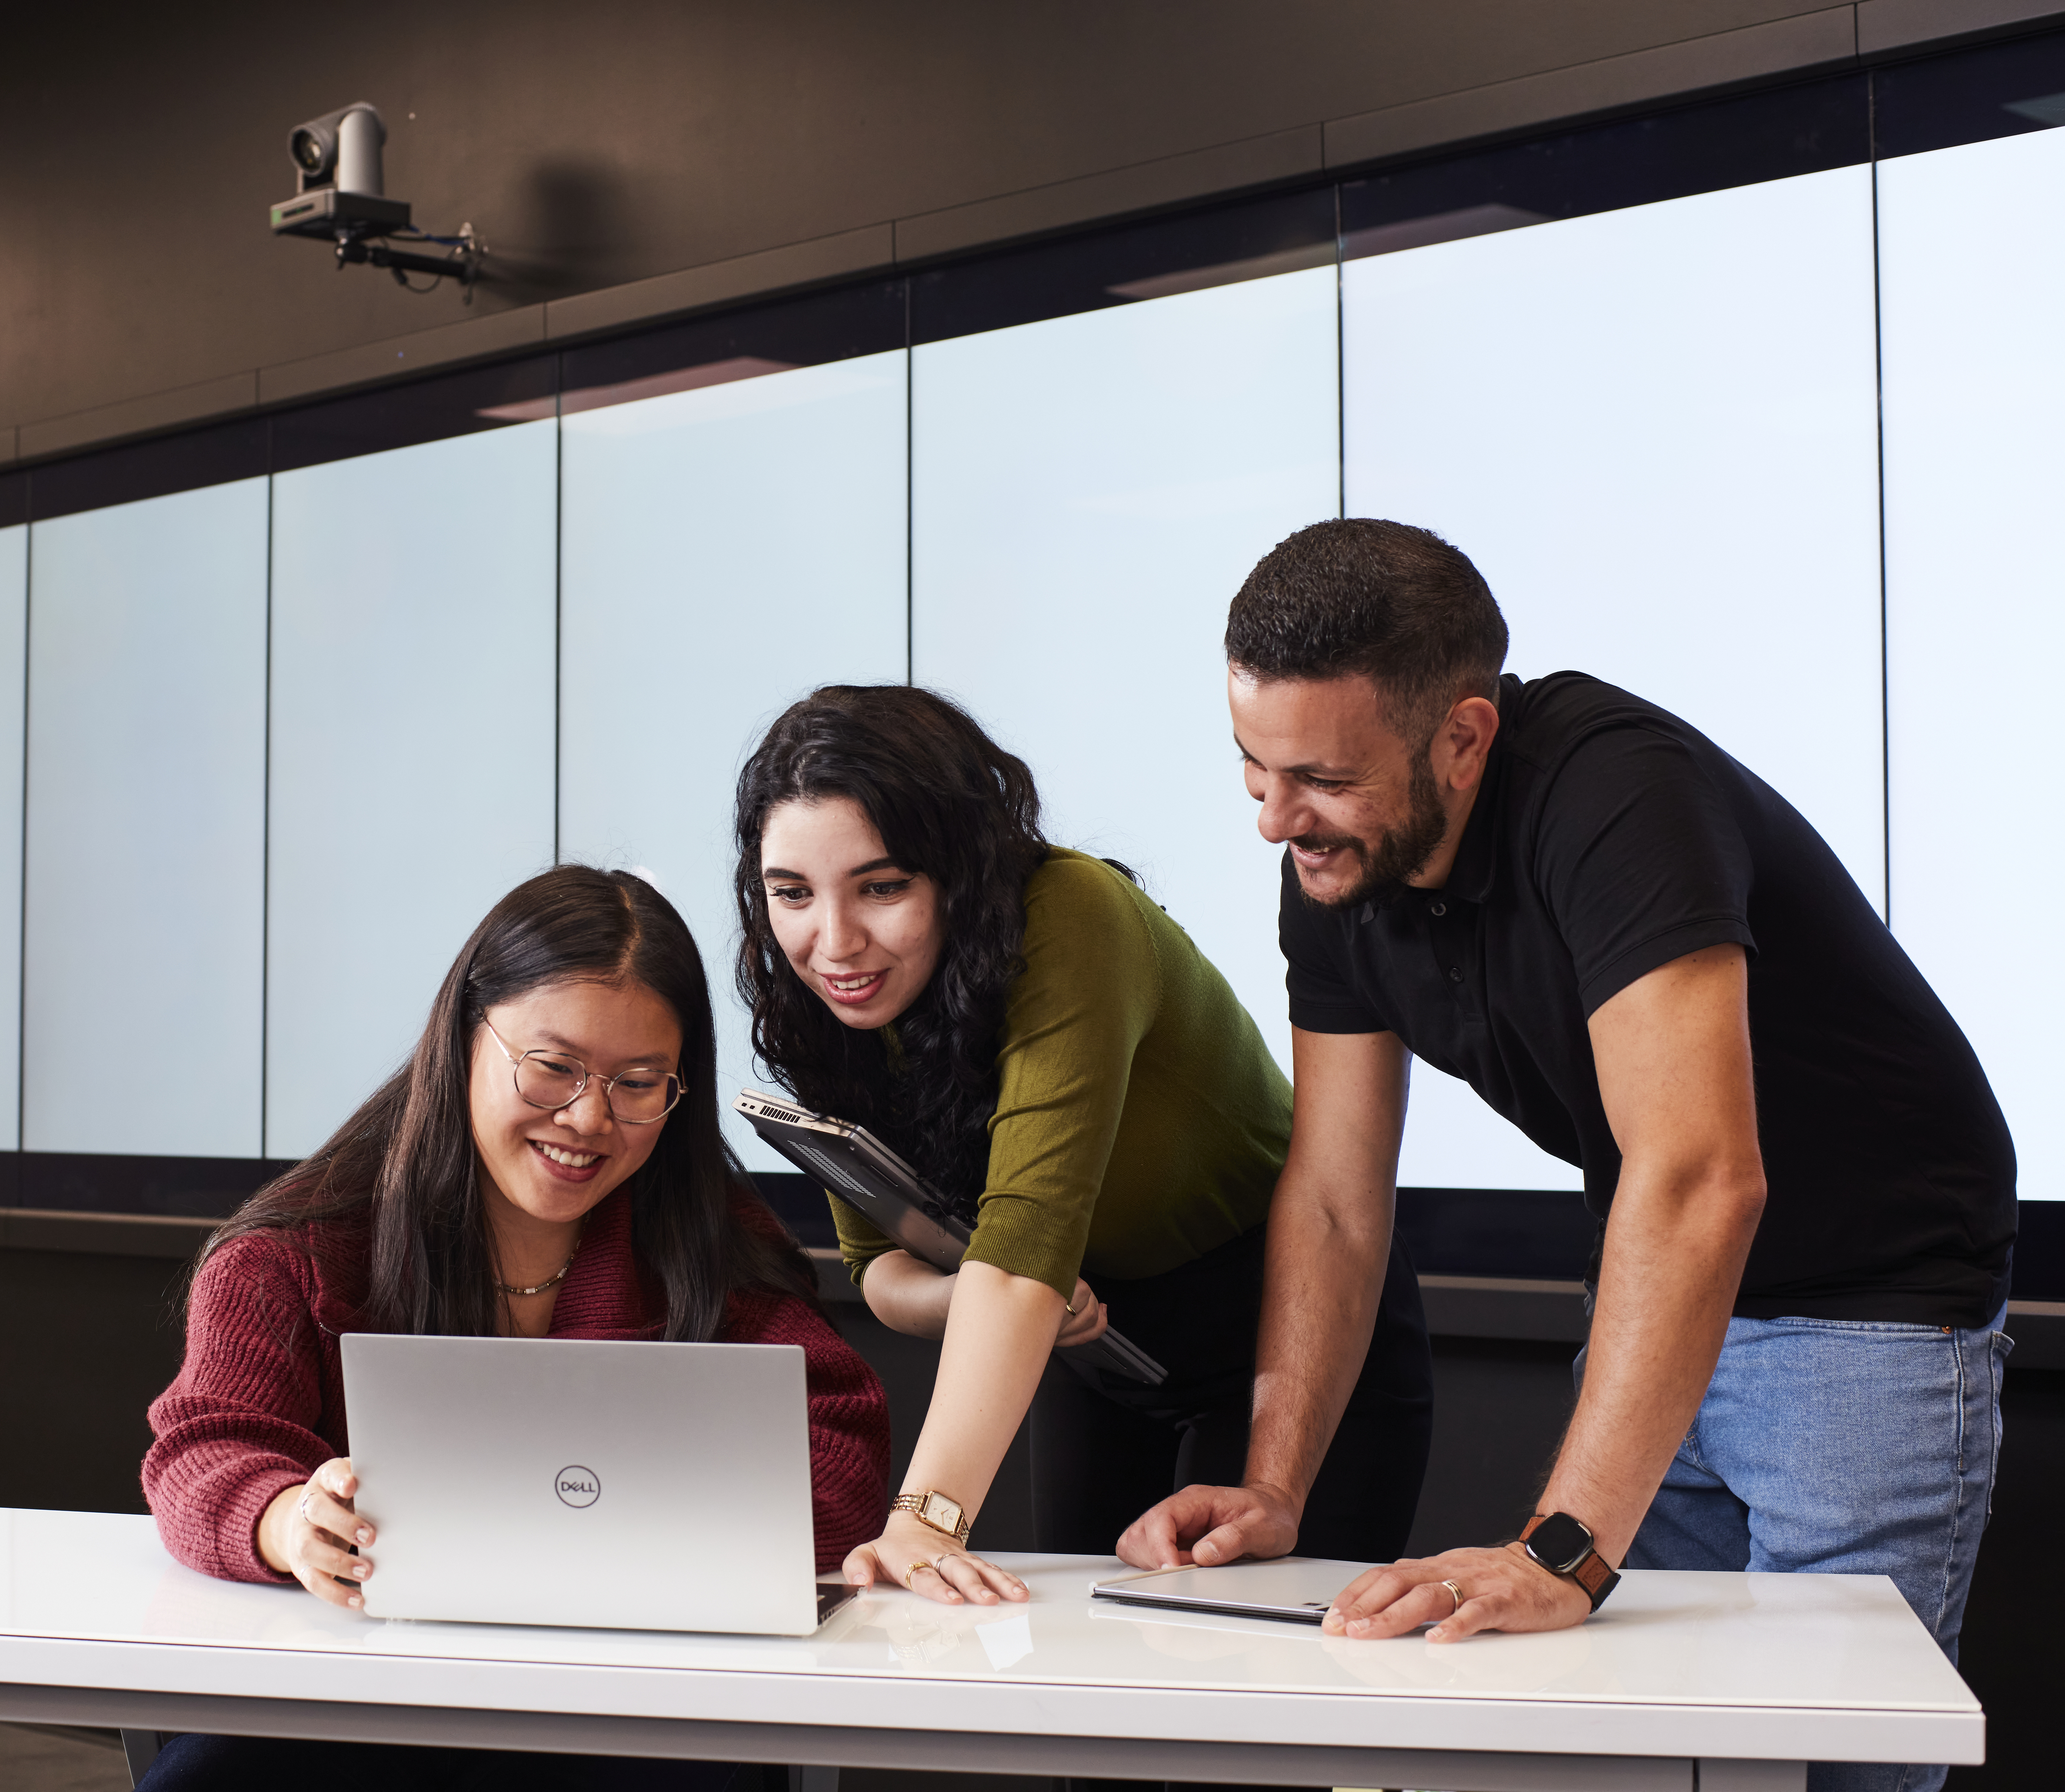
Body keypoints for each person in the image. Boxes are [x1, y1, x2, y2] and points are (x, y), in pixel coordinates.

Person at [1130, 518, 2012, 1792]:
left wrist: (1563, 1548)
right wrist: (1275, 1486)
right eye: (1251, 767)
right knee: (1643, 1754)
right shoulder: (1337, 862)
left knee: (1828, 1766)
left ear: (1466, 734)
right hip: (1660, 1286)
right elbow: (1331, 1197)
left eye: (1318, 775)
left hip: (1862, 1301)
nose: (1276, 818)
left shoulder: (1619, 798)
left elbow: (1705, 1173)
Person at [140, 865, 890, 1792]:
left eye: (638, 1083)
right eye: (554, 1068)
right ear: (464, 1035)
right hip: (362, 1702)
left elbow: (840, 1445)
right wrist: (290, 1523)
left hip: (645, 1711)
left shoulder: (717, 1245)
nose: (589, 1119)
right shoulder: (298, 1250)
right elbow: (207, 1447)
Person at [733, 684, 1435, 1608]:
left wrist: (924, 1519)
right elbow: (879, 1271)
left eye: (883, 886)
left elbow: (1023, 1251)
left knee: (1245, 1701)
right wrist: (968, 1292)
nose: (833, 943)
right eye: (792, 895)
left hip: (1285, 1322)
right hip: (1095, 1347)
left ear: (960, 866)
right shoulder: (829, 997)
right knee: (1080, 1683)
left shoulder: (1069, 913)